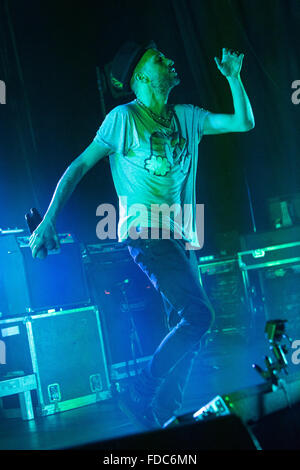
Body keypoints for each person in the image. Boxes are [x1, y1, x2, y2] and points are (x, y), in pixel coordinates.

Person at [29, 40, 254, 430]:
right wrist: (49, 219)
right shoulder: (124, 119)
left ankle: (166, 417)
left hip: (181, 236)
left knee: (188, 327)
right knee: (199, 315)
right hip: (145, 231)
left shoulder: (187, 116)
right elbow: (79, 166)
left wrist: (234, 79)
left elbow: (243, 122)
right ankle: (141, 389)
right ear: (142, 76)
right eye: (159, 58)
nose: (170, 60)